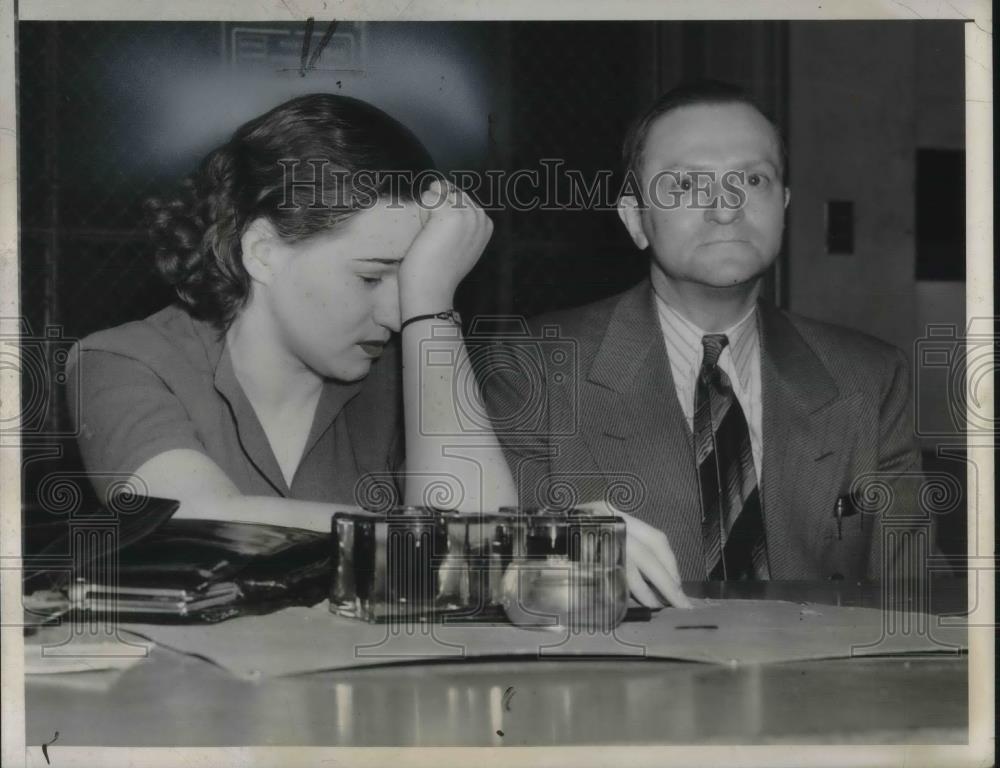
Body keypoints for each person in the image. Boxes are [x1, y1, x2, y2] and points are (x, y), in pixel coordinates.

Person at [67, 93, 691, 609]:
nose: (396, 314)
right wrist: (515, 540)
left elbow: (470, 568)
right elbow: (205, 522)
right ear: (261, 250)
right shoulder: (122, 361)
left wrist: (432, 309)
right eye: (371, 277)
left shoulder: (405, 372)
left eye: (412, 281)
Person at [481, 80, 930, 585]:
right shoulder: (535, 370)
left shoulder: (869, 379)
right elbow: (489, 565)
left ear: (783, 206)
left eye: (753, 181)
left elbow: (906, 598)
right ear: (636, 219)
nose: (725, 208)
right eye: (685, 185)